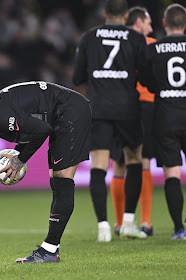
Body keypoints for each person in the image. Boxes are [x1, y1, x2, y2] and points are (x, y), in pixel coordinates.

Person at [0, 81, 91, 263]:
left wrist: (20, 159)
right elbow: (32, 125)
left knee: (62, 178)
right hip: (64, 112)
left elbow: (42, 130)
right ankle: (50, 249)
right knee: (57, 180)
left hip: (70, 112)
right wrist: (19, 152)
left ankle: (49, 250)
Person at [73, 0, 147, 242]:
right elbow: (145, 76)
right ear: (126, 16)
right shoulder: (136, 38)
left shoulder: (88, 37)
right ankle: (127, 223)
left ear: (105, 14)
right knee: (134, 159)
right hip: (128, 107)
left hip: (99, 107)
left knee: (99, 165)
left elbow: (77, 77)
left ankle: (103, 227)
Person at [144, 4, 186, 240]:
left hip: (165, 117)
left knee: (172, 173)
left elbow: (148, 82)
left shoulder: (155, 48)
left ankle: (178, 230)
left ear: (164, 23)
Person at [109, 6, 156, 237]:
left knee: (119, 163)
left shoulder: (111, 41)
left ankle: (119, 224)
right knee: (142, 160)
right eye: (148, 22)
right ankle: (145, 221)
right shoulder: (149, 43)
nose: (151, 27)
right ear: (138, 23)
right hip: (144, 105)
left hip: (116, 105)